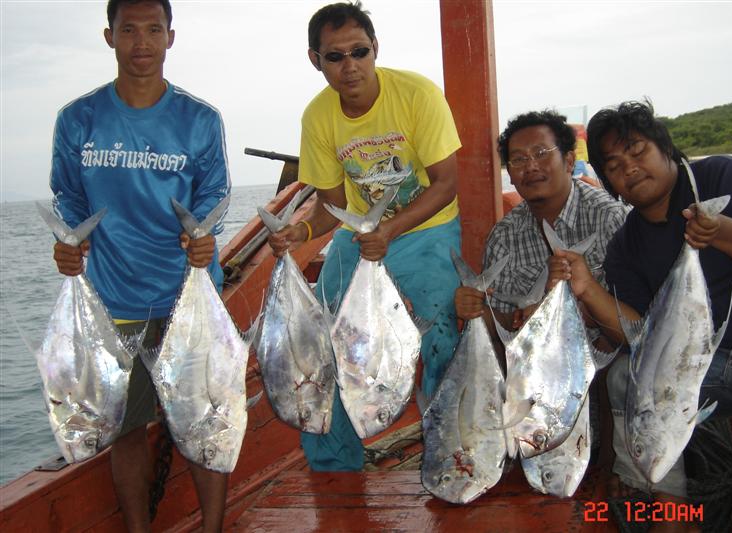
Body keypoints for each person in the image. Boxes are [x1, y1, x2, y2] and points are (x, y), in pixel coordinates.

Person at [550, 100, 732, 532]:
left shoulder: (722, 175)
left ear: (666, 149)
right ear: (608, 182)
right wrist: (587, 288)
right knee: (626, 376)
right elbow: (640, 336)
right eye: (613, 164)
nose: (628, 167)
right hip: (700, 369)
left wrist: (718, 230)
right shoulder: (625, 246)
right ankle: (671, 511)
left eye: (637, 150)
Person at [49, 1, 230, 530]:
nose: (142, 43)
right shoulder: (78, 119)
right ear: (110, 36)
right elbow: (68, 197)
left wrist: (204, 238)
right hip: (111, 302)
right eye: (129, 30)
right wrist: (69, 242)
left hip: (187, 300)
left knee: (203, 422)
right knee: (124, 429)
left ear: (171, 37)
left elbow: (214, 195)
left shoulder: (199, 120)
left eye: (154, 30)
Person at [267, 1, 462, 472]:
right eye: (335, 56)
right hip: (362, 236)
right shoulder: (318, 117)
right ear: (316, 60)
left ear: (375, 49)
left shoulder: (416, 94)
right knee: (322, 335)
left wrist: (390, 228)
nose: (349, 65)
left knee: (440, 334)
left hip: (427, 229)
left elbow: (446, 183)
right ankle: (334, 463)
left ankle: (452, 451)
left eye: (359, 51)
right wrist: (301, 231)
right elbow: (331, 206)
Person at [453, 110, 627, 461]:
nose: (530, 166)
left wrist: (575, 311)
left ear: (569, 159)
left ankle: (612, 466)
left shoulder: (610, 218)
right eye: (519, 159)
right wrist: (478, 311)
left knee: (617, 372)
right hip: (531, 365)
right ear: (511, 174)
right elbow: (501, 328)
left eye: (541, 154)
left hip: (602, 352)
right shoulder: (505, 235)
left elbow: (628, 319)